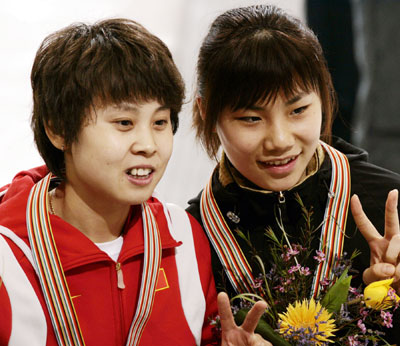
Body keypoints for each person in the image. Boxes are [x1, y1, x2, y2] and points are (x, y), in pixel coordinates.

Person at [0, 18, 270, 346]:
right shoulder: (9, 257)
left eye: (160, 122)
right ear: (58, 129)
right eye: (124, 122)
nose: (148, 144)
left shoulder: (183, 237)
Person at [186, 4, 400, 343]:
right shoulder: (190, 240)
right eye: (251, 119)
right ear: (206, 111)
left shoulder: (389, 206)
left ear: (325, 95)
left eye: (298, 110)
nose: (280, 141)